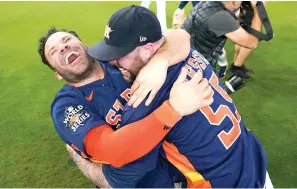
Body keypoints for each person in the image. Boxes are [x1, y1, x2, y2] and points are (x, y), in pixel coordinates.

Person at [76, 5, 272, 188]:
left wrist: (81, 159)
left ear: (147, 49)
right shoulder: (188, 54)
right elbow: (176, 36)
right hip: (252, 158)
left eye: (120, 53)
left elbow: (120, 180)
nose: (113, 61)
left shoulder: (143, 102)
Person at [37, 7, 213, 185]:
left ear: (85, 45)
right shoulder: (66, 106)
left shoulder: (114, 57)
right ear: (57, 74)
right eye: (53, 51)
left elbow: (179, 37)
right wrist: (173, 110)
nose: (63, 47)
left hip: (177, 166)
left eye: (66, 40)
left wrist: (160, 62)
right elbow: (111, 149)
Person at [182, 1, 262, 79]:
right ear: (233, 2)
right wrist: (258, 10)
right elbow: (252, 43)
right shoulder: (220, 16)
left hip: (184, 60)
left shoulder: (206, 3)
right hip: (198, 68)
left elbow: (234, 34)